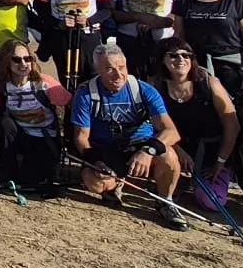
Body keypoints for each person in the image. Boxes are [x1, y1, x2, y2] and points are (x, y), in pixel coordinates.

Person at [171, 0, 243, 205]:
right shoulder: (184, 1)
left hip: (231, 69)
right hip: (197, 69)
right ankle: (189, 172)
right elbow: (179, 39)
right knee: (193, 119)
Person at [68, 42, 188, 231]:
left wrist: (148, 151)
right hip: (107, 148)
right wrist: (96, 161)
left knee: (169, 157)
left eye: (121, 67)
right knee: (95, 183)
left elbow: (171, 131)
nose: (118, 75)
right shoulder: (86, 94)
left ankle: (166, 201)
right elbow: (81, 137)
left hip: (140, 143)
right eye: (109, 69)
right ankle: (114, 185)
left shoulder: (143, 90)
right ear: (97, 69)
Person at [155, 41, 239, 208]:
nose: (180, 59)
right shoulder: (156, 86)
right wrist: (179, 151)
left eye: (186, 55)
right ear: (162, 60)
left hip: (211, 151)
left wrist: (220, 161)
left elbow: (232, 125)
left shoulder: (209, 84)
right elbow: (155, 126)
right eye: (173, 55)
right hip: (177, 147)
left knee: (211, 202)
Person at [0, 41, 66, 196]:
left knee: (28, 181)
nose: (23, 64)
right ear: (6, 62)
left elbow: (71, 105)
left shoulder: (45, 83)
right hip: (20, 135)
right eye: (17, 60)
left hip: (44, 137)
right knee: (4, 123)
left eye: (28, 59)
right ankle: (6, 166)